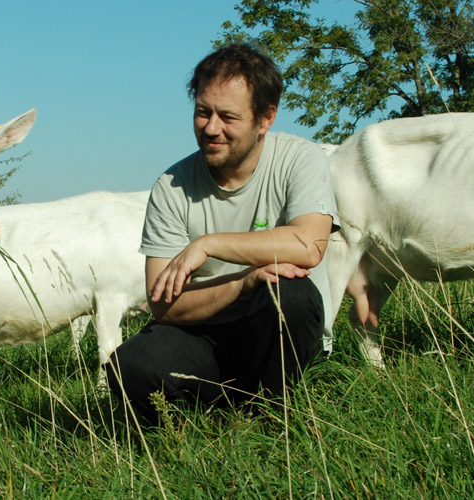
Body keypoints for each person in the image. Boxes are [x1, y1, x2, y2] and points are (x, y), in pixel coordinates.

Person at [106, 43, 339, 424]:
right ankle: (207, 426)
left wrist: (209, 244)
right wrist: (242, 283)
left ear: (266, 118)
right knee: (132, 366)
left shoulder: (300, 159)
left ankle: (274, 417)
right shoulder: (172, 185)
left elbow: (308, 245)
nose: (211, 128)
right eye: (202, 112)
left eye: (228, 117)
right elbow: (163, 306)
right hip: (207, 335)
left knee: (287, 292)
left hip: (280, 334)